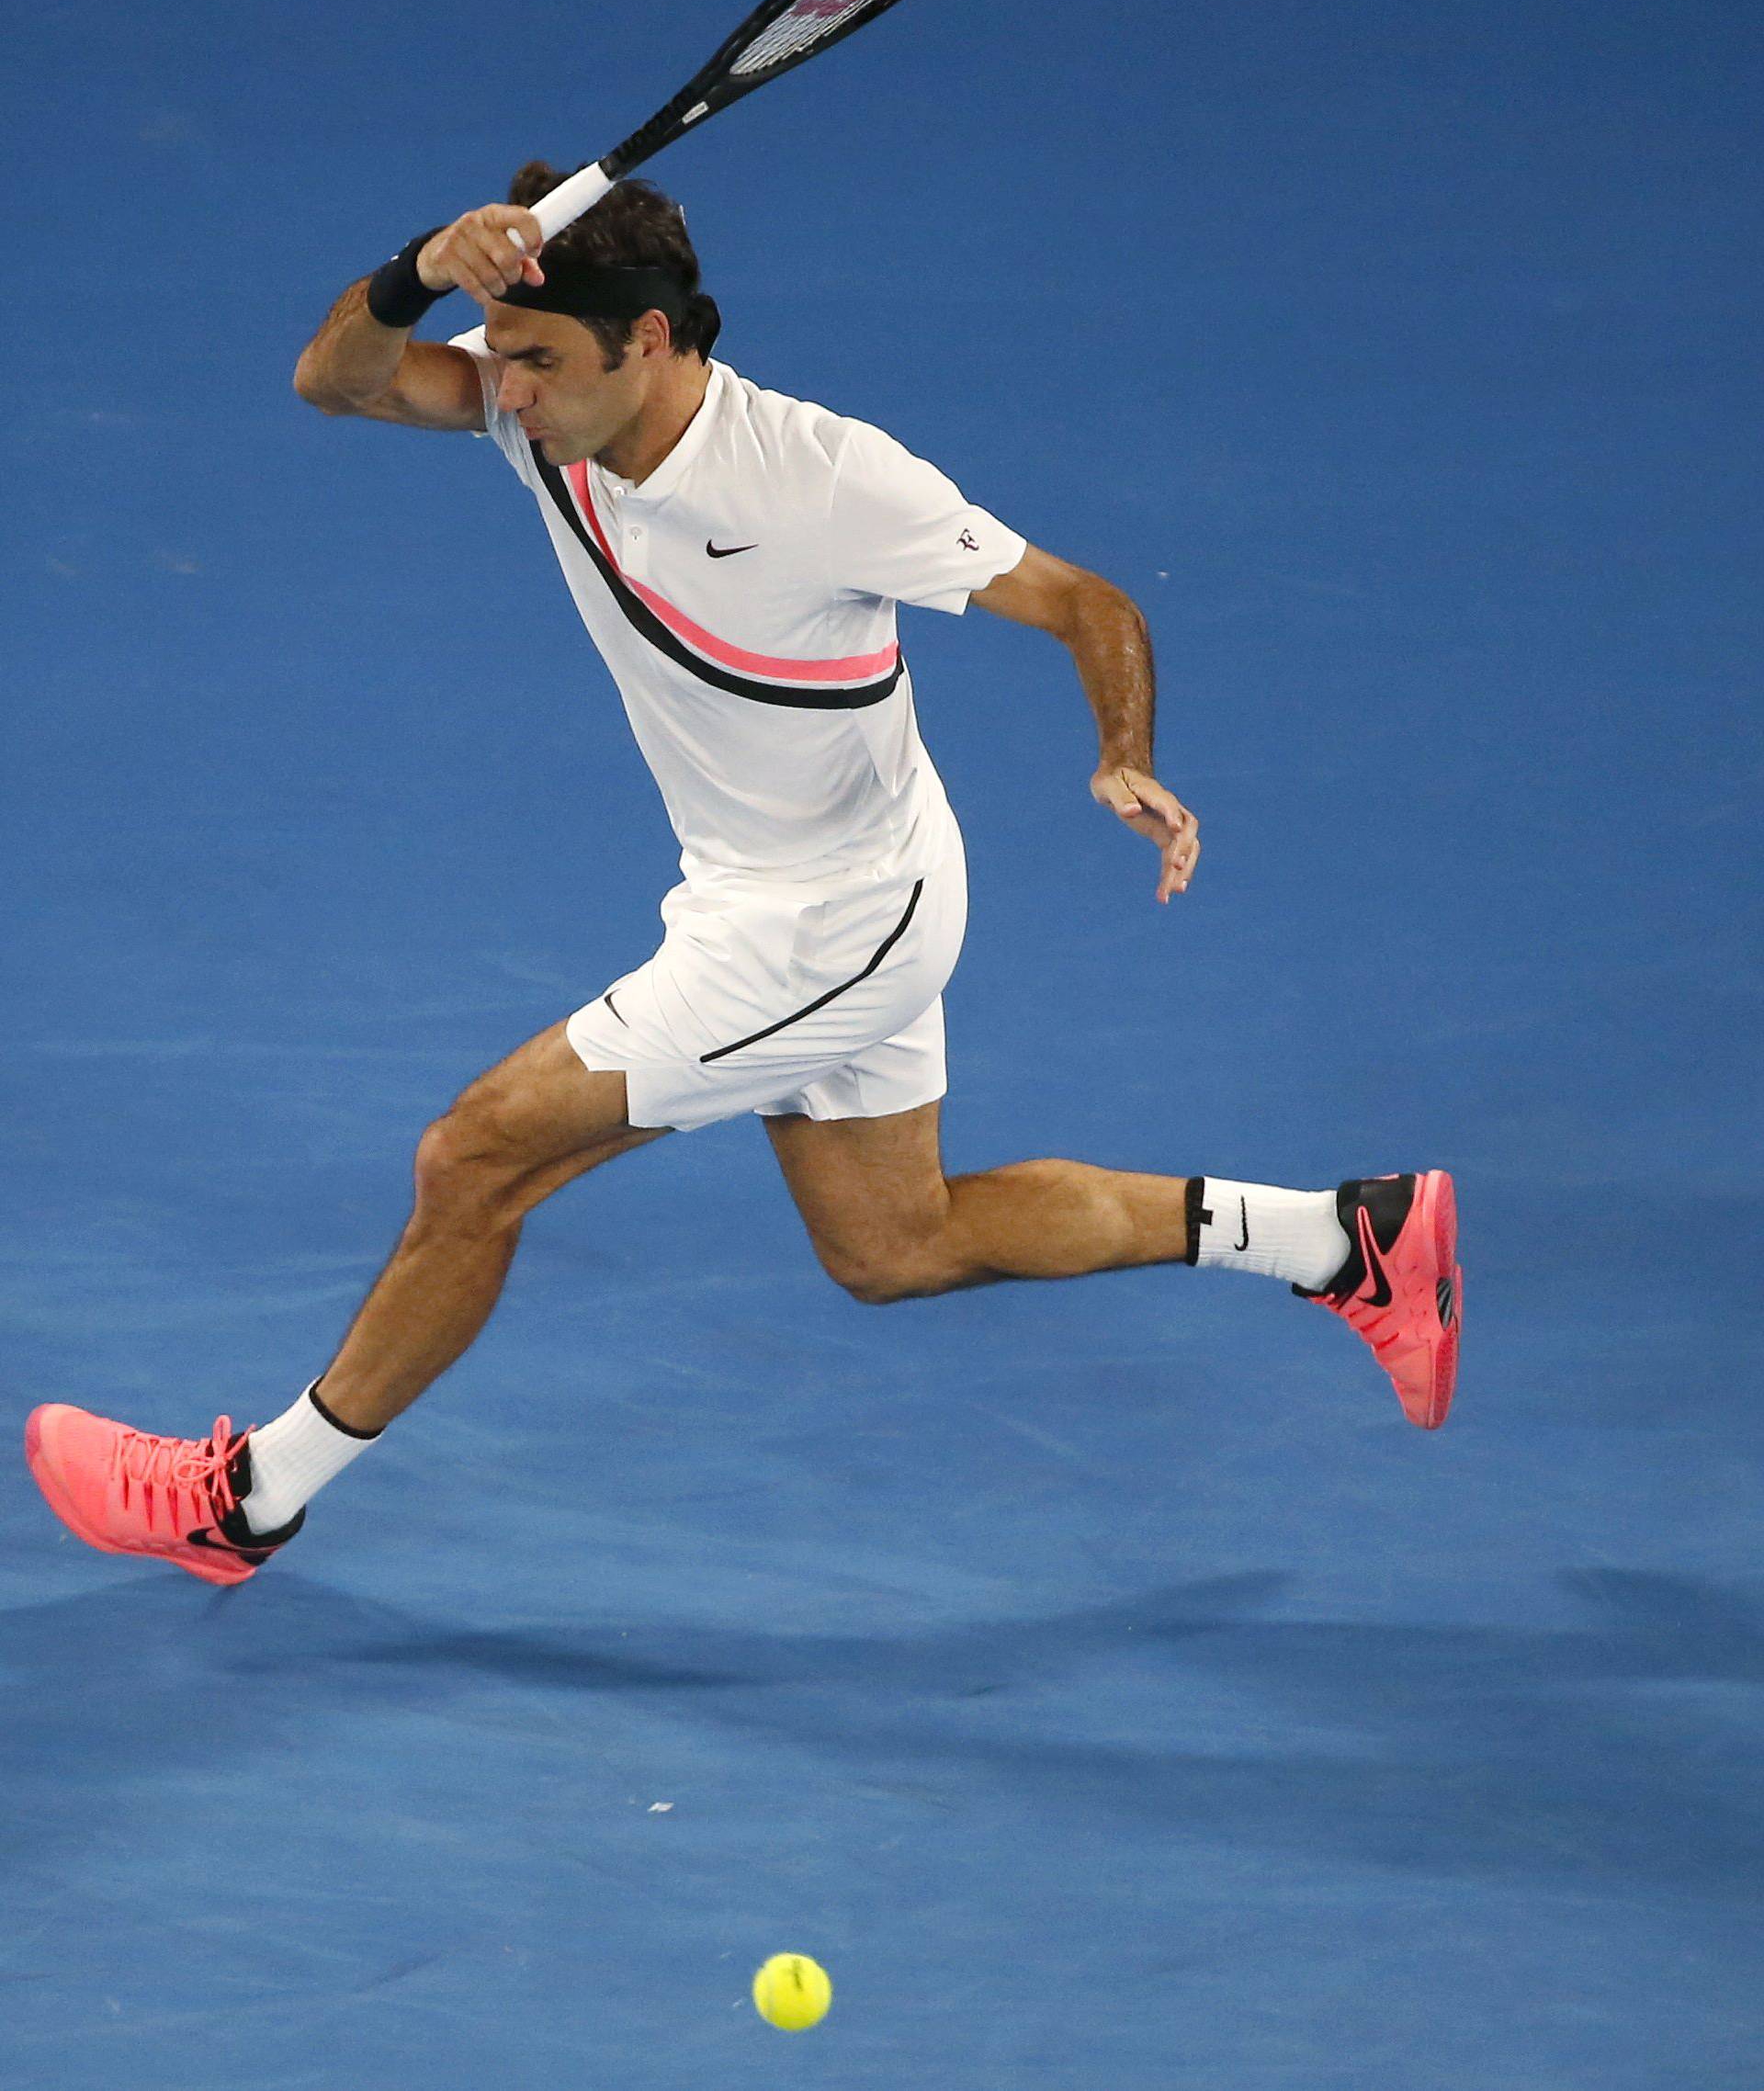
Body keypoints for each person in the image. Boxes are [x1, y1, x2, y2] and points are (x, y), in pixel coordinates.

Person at [24, 172, 1462, 1588]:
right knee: (900, 1246)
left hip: (828, 925)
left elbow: (1086, 601)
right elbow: (333, 380)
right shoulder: (546, 400)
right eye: (499, 353)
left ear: (648, 342)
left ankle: (248, 1501)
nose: (504, 394)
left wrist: (1122, 754)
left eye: (535, 363)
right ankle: (1346, 1239)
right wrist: (419, 263)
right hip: (810, 886)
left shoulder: (826, 479)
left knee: (475, 1158)